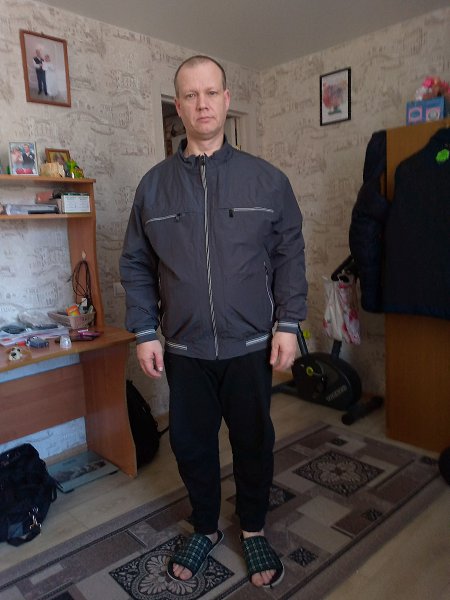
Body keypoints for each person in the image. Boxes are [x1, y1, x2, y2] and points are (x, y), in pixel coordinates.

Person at [120, 55, 307, 589]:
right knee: (191, 445)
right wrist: (145, 331)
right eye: (190, 95)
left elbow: (289, 255)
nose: (202, 104)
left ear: (226, 100)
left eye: (211, 93)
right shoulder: (153, 188)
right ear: (178, 107)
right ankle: (204, 524)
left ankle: (252, 528)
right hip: (185, 349)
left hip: (251, 345)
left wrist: (289, 323)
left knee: (254, 442)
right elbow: (136, 264)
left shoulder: (267, 181)